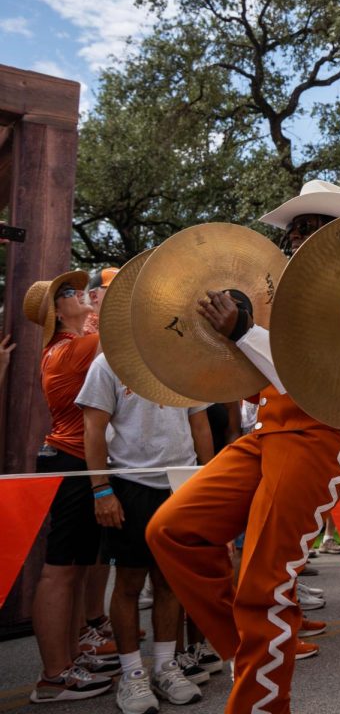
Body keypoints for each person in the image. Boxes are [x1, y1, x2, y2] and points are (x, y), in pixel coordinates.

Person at [146, 180, 340, 713]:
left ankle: (258, 695)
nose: (293, 240)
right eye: (292, 231)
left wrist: (243, 330)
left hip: (322, 438)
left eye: (306, 229)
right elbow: (256, 379)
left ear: (335, 238)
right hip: (270, 433)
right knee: (172, 531)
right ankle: (251, 650)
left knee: (264, 585)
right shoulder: (280, 299)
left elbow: (317, 377)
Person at [78, 348, 214, 712]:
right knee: (129, 582)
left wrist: (207, 483)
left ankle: (166, 667)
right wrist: (101, 489)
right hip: (129, 483)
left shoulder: (182, 358)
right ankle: (132, 674)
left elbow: (199, 424)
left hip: (179, 483)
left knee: (170, 581)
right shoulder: (108, 363)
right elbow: (92, 426)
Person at [23, 271, 118, 703]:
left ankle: (73, 652)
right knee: (59, 571)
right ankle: (52, 676)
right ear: (55, 312)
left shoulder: (79, 343)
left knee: (78, 568)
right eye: (68, 293)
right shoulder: (69, 350)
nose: (79, 294)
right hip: (69, 463)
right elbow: (119, 329)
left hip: (80, 464)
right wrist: (106, 303)